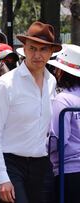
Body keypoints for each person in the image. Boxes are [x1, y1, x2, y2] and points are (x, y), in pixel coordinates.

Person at [0, 21, 62, 203]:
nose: (37, 54)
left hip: (40, 163)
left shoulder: (51, 82)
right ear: (24, 49)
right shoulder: (6, 84)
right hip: (10, 163)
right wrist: (2, 177)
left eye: (43, 49)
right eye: (32, 48)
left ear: (51, 52)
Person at [48, 44, 80, 203]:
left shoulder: (63, 100)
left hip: (68, 172)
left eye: (58, 69)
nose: (55, 72)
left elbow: (57, 140)